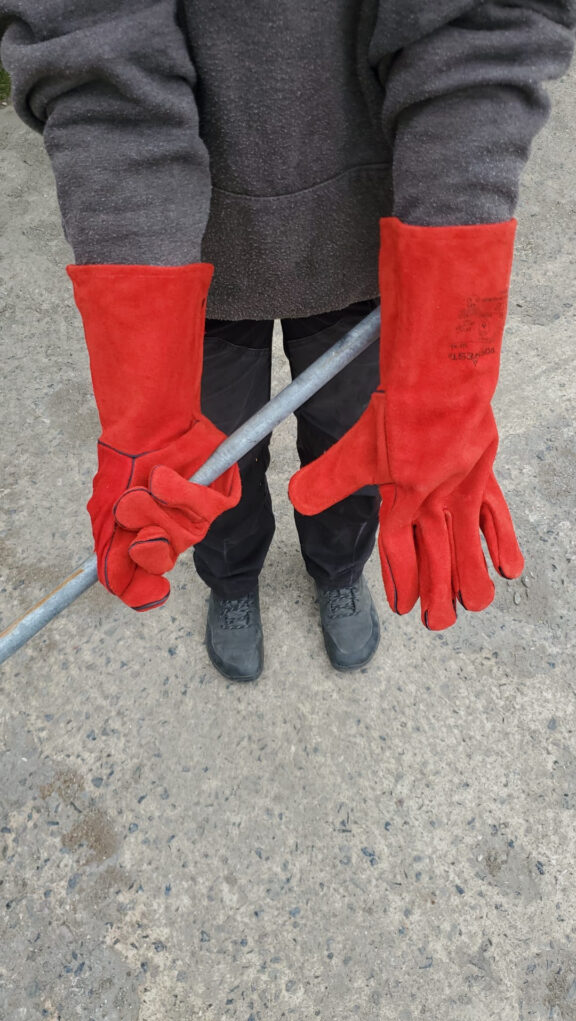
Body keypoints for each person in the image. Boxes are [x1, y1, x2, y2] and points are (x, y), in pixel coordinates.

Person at [1, 0, 574, 683]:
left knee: (352, 442)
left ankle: (338, 568)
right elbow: (96, 53)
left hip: (366, 247)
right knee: (208, 467)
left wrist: (452, 358)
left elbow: (480, 27)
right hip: (188, 260)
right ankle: (232, 579)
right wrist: (141, 395)